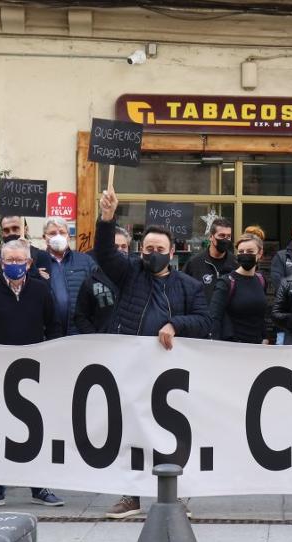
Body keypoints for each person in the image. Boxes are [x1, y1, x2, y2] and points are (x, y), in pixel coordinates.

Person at [93, 188, 210, 520]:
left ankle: (175, 495)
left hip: (172, 376)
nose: (154, 254)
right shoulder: (130, 273)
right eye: (148, 249)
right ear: (139, 250)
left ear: (172, 252)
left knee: (172, 435)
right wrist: (107, 218)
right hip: (134, 370)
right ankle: (131, 496)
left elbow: (205, 321)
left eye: (160, 249)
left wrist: (175, 323)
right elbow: (103, 252)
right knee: (133, 432)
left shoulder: (189, 286)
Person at [0, 239, 66, 511]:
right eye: (9, 260)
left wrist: (50, 354)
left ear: (29, 263)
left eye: (19, 260)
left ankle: (39, 486)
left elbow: (54, 325)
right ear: (1, 263)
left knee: (37, 429)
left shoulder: (42, 291)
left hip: (34, 371)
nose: (14, 265)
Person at [38, 216, 98, 336]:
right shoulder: (37, 262)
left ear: (68, 236)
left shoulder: (85, 261)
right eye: (52, 233)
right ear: (44, 237)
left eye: (62, 232)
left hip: (79, 333)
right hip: (48, 335)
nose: (58, 236)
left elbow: (98, 291)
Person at [209, 233, 270, 343]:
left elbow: (261, 316)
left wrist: (264, 337)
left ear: (260, 253)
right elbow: (214, 318)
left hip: (257, 347)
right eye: (241, 252)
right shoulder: (226, 282)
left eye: (250, 252)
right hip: (233, 347)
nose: (245, 255)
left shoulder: (261, 280)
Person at [72, 224, 129, 335]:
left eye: (124, 246)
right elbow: (80, 316)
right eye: (115, 246)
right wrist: (94, 337)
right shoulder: (91, 280)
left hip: (129, 343)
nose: (120, 250)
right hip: (100, 343)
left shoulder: (136, 277)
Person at [0, 215, 53, 284]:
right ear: (2, 233)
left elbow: (44, 288)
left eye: (15, 229)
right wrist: (36, 274)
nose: (11, 233)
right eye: (6, 230)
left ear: (26, 230)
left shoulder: (42, 256)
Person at [183, 218, 236, 304]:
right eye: (222, 236)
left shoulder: (235, 263)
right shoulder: (194, 263)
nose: (225, 239)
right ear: (211, 236)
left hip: (228, 316)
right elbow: (183, 291)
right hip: (202, 315)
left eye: (228, 236)